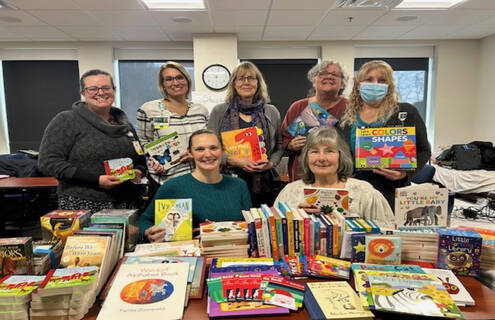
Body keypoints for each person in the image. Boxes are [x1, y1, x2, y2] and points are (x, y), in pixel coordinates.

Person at [38, 69, 147, 213]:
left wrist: (139, 171)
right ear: (83, 92)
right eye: (93, 89)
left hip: (126, 202)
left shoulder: (124, 124)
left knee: (129, 236)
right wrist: (96, 179)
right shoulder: (66, 120)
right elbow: (47, 162)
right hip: (82, 204)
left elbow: (139, 158)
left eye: (106, 88)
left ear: (114, 90)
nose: (101, 93)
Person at [338, 60, 431, 210]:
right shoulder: (347, 118)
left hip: (390, 192)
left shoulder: (405, 113)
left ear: (389, 86)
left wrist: (404, 174)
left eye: (382, 80)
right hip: (353, 192)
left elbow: (424, 151)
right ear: (358, 84)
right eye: (369, 79)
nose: (375, 84)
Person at [138, 129, 252, 243]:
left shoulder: (239, 186)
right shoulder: (173, 186)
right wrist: (148, 232)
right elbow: (144, 220)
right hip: (188, 257)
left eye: (213, 148)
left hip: (232, 255)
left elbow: (251, 227)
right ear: (190, 153)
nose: (208, 154)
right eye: (200, 149)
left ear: (223, 150)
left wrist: (216, 233)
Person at [274, 127, 395, 228]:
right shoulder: (290, 192)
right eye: (315, 152)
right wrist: (297, 218)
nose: (321, 158)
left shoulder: (364, 192)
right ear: (306, 157)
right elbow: (277, 235)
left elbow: (386, 233)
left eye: (329, 151)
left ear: (341, 156)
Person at [208, 61, 283, 207]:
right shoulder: (220, 111)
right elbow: (210, 147)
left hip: (264, 184)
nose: (246, 82)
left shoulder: (271, 111)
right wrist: (231, 160)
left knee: (260, 224)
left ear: (258, 83)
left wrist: (271, 163)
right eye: (241, 78)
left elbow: (279, 146)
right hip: (227, 181)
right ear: (234, 84)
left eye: (251, 78)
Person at [136, 61, 208, 195]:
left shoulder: (200, 110)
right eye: (169, 79)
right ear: (163, 84)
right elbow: (143, 143)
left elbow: (208, 142)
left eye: (180, 77)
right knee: (170, 217)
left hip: (200, 179)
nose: (175, 83)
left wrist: (195, 154)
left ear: (187, 80)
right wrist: (152, 160)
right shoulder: (149, 109)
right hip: (165, 181)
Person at [281, 60, 349, 181]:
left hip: (340, 176)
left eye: (334, 74)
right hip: (302, 175)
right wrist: (291, 145)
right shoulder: (297, 107)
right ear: (313, 81)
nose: (329, 76)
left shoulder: (350, 107)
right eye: (322, 73)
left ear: (342, 83)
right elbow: (283, 139)